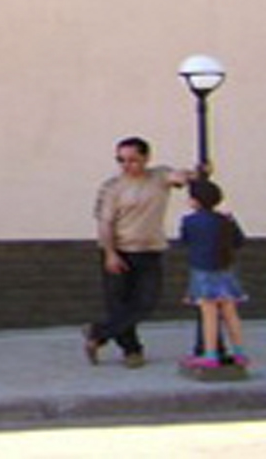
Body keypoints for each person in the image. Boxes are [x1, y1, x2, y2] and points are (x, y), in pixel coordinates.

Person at [82, 137, 193, 369]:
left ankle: (98, 333)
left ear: (146, 158)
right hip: (120, 250)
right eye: (121, 160)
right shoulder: (112, 188)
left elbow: (180, 177)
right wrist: (110, 254)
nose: (126, 165)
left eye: (132, 160)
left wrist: (197, 173)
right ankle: (132, 351)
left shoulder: (159, 177)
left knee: (146, 302)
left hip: (150, 250)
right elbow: (105, 224)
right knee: (119, 304)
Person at [178, 177, 249, 368]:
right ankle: (240, 352)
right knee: (230, 312)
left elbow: (185, 241)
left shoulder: (189, 221)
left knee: (209, 314)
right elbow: (239, 241)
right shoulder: (226, 220)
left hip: (202, 270)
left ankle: (210, 355)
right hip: (226, 268)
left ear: (195, 201)